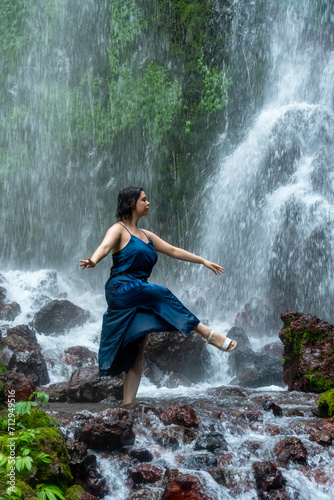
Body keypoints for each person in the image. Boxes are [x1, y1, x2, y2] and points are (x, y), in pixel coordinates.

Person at [80, 186, 237, 404]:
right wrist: (94, 260)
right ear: (131, 204)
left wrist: (203, 261)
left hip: (140, 292)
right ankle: (208, 334)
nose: (148, 203)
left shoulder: (147, 236)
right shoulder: (118, 229)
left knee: (138, 346)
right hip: (121, 289)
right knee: (161, 292)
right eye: (144, 200)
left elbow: (173, 251)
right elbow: (105, 246)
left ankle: (128, 405)